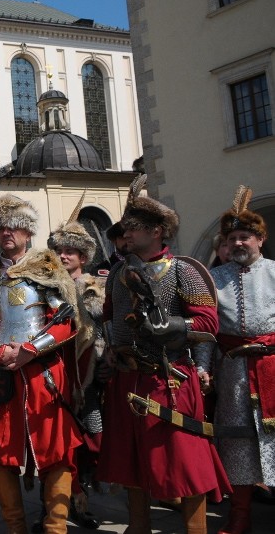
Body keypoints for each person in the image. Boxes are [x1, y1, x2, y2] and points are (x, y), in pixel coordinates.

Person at [97, 175, 229, 534]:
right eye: (125, 230)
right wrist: (110, 349)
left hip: (170, 377)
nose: (126, 235)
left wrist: (170, 327)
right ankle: (138, 528)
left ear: (157, 230)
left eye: (134, 229)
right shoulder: (118, 274)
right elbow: (110, 316)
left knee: (187, 465)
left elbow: (207, 324)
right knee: (132, 464)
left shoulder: (183, 270)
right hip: (127, 377)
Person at [0, 195, 81, 534]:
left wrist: (29, 349)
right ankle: (15, 528)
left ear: (27, 232)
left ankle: (56, 527)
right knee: (2, 453)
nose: (6, 233)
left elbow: (65, 320)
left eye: (13, 226)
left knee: (56, 449)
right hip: (1, 374)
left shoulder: (47, 268)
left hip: (43, 374)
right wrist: (1, 351)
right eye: (0, 227)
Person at [209, 186, 275, 534]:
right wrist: (205, 370)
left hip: (273, 368)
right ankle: (240, 516)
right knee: (238, 443)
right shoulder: (213, 279)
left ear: (260, 239)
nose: (237, 243)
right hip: (232, 371)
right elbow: (207, 332)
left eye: (245, 237)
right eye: (232, 237)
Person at [48, 217, 107, 531]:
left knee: (89, 443)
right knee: (56, 446)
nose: (64, 255)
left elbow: (104, 332)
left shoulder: (95, 288)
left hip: (87, 376)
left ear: (83, 257)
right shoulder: (46, 287)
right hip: (53, 374)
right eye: (60, 250)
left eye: (71, 251)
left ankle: (80, 501)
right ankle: (54, 506)